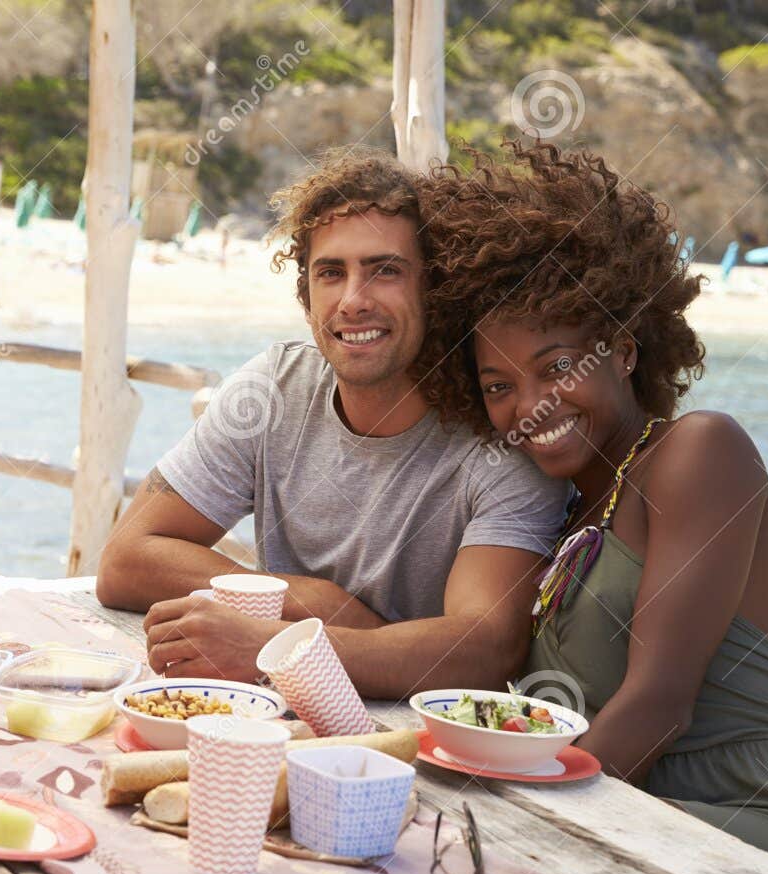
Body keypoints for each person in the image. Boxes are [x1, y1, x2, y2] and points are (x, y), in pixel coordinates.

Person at [417, 141, 768, 874]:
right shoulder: (563, 510)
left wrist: (521, 826)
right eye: (499, 384)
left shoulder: (699, 453)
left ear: (625, 348)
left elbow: (658, 703)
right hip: (642, 815)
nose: (531, 403)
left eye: (558, 364)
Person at [97, 149, 569, 698]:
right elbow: (126, 559)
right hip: (269, 718)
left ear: (435, 289)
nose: (353, 300)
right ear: (306, 294)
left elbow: (486, 649)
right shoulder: (273, 388)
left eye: (384, 271)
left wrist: (271, 645)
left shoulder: (498, 433)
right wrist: (313, 603)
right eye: (330, 273)